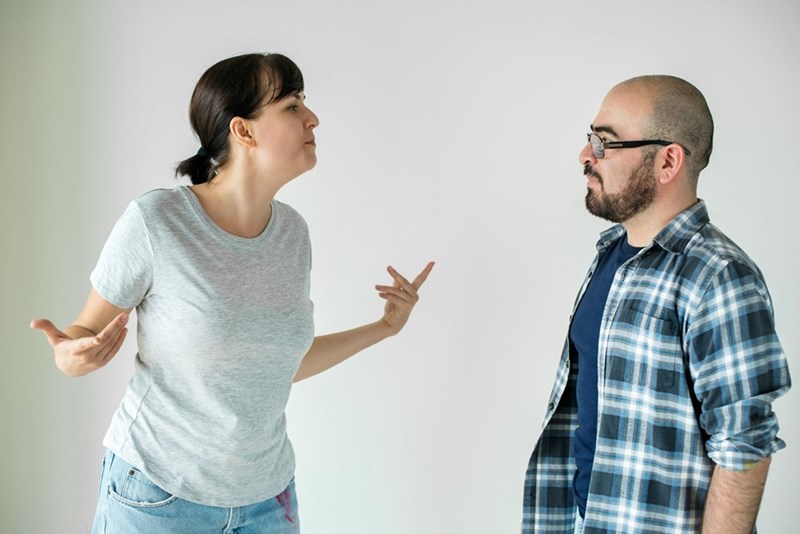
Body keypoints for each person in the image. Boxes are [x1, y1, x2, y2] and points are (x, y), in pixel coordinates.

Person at [30, 52, 434, 533]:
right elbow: (79, 335)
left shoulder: (292, 234)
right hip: (160, 496)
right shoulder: (158, 222)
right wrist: (75, 355)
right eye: (291, 105)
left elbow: (278, 362)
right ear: (243, 131)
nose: (312, 117)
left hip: (269, 501)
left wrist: (385, 328)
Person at [522, 75, 790, 533]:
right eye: (590, 139)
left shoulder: (719, 276)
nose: (587, 156)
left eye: (606, 144)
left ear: (668, 161)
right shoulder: (610, 254)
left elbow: (744, 446)